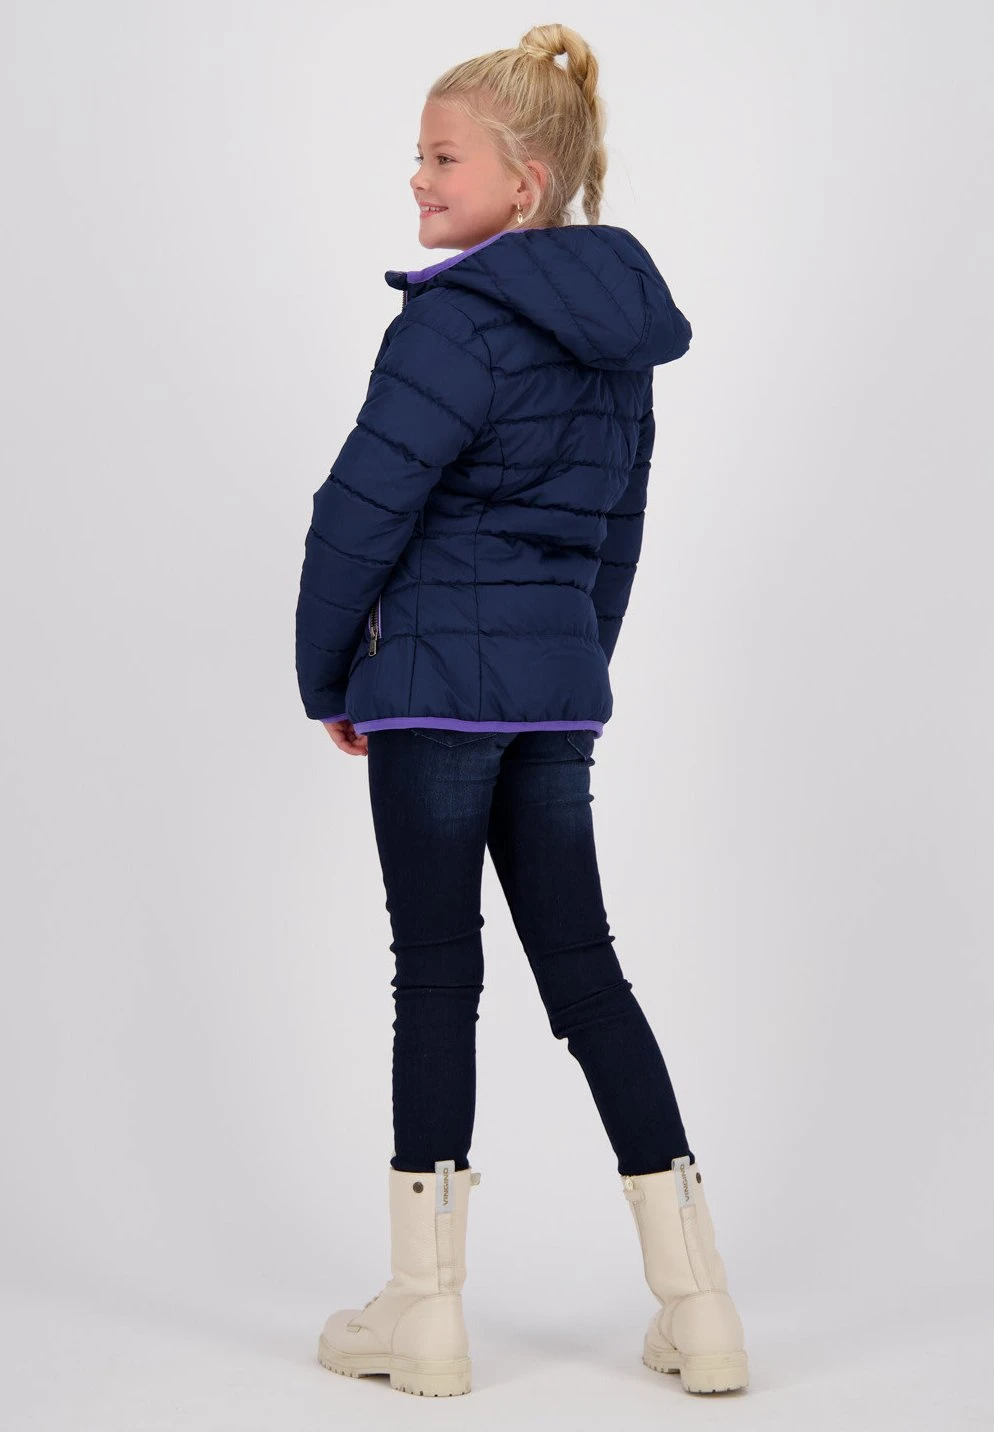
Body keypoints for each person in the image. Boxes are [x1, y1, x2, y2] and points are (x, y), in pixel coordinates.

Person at [297, 22, 749, 1399]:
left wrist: (328, 675)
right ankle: (701, 1308)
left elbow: (358, 511)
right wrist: (572, 669)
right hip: (552, 701)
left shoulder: (450, 321)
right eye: (418, 156)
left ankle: (424, 1315)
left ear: (526, 183)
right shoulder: (619, 345)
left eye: (444, 158)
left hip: (431, 698)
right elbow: (616, 534)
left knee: (438, 978)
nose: (418, 179)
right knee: (587, 976)